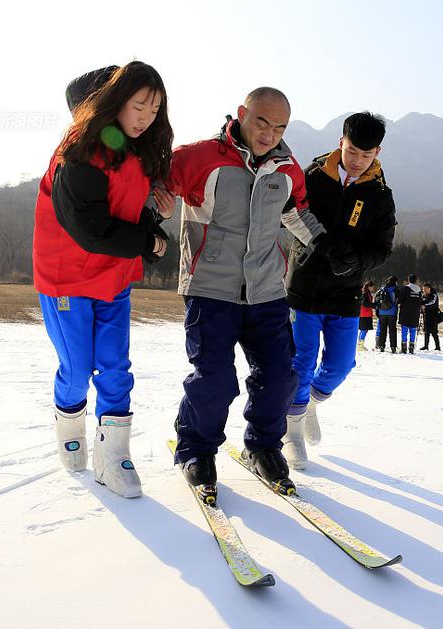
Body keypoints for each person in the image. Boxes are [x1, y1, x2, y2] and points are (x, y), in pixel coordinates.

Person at [155, 87, 327, 497]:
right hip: (210, 288)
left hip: (267, 290)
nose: (269, 134)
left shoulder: (287, 170)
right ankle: (196, 449)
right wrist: (148, 221)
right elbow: (157, 188)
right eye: (262, 122)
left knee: (281, 376)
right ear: (242, 114)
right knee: (214, 380)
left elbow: (298, 213)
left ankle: (264, 447)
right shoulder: (200, 158)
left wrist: (328, 247)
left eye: (280, 126)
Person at [35, 61, 174, 498]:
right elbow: (91, 228)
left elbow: (124, 208)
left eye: (154, 108)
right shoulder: (77, 153)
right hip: (68, 278)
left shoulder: (131, 148)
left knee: (115, 367)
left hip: (112, 278)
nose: (146, 117)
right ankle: (69, 425)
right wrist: (148, 241)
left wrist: (155, 216)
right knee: (77, 369)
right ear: (109, 101)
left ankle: (113, 456)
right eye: (138, 106)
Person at [282, 112, 396, 469]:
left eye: (367, 155)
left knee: (341, 364)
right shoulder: (313, 177)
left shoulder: (380, 194)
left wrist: (357, 263)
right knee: (300, 363)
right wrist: (319, 246)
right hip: (304, 288)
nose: (358, 161)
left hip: (346, 293)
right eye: (352, 151)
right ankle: (292, 432)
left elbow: (384, 246)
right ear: (340, 142)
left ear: (377, 152)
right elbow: (291, 214)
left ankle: (309, 406)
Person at [397, 273, 423, 353]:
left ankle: (404, 348)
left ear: (409, 280)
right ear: (415, 281)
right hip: (415, 313)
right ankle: (411, 347)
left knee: (404, 330)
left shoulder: (405, 288)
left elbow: (400, 300)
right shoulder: (419, 290)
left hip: (405, 312)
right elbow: (420, 301)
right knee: (413, 330)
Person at [375, 276, 399, 353]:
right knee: (392, 330)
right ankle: (393, 346)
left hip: (382, 313)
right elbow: (399, 300)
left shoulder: (382, 289)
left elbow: (376, 299)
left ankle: (381, 346)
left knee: (383, 330)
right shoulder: (396, 289)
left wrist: (377, 311)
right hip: (392, 313)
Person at [420, 283, 441, 351]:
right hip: (426, 316)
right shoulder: (423, 296)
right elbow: (421, 303)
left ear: (429, 289)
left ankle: (437, 347)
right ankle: (426, 346)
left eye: (425, 289)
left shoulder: (434, 295)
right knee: (426, 332)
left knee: (434, 332)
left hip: (433, 316)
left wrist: (425, 306)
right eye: (423, 289)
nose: (424, 291)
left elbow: (433, 303)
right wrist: (421, 308)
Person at [357, 281, 377, 352]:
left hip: (365, 313)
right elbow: (365, 304)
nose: (373, 288)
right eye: (372, 287)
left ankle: (360, 344)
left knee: (364, 329)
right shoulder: (365, 294)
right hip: (364, 314)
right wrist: (374, 305)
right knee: (364, 329)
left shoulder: (366, 293)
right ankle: (360, 345)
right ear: (369, 287)